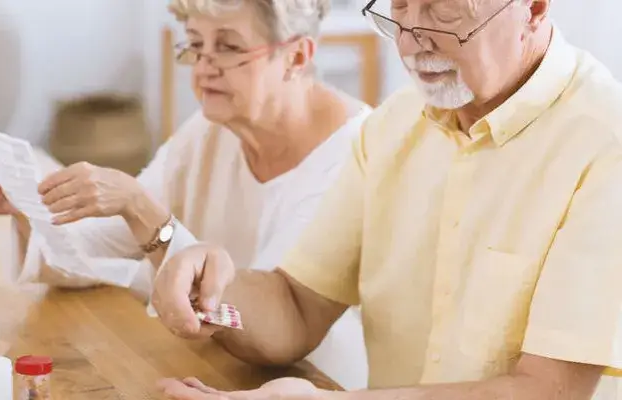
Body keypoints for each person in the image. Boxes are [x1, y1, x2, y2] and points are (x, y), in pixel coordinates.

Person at [151, 0, 622, 399]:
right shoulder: (392, 126)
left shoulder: (606, 144)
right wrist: (212, 285)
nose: (412, 41)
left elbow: (546, 389)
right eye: (399, 8)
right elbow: (297, 307)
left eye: (442, 9)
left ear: (533, 9)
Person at [0, 0, 372, 388]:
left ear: (297, 57)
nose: (204, 68)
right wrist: (29, 204)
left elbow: (275, 330)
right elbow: (105, 248)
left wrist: (140, 208)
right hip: (214, 369)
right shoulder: (211, 128)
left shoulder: (355, 150)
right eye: (196, 45)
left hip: (312, 384)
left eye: (228, 47)